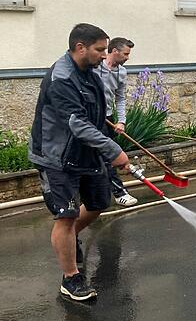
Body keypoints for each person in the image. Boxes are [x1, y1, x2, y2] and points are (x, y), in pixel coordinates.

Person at [29, 23, 131, 302]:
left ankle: (68, 239)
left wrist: (106, 142)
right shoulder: (61, 78)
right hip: (57, 156)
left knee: (99, 202)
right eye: (100, 50)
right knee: (66, 214)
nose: (104, 55)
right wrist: (114, 151)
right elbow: (77, 124)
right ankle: (71, 278)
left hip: (85, 152)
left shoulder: (89, 72)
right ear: (80, 47)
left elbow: (94, 116)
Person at [94, 37, 138, 207]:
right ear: (114, 51)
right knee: (104, 157)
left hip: (108, 119)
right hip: (92, 119)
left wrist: (122, 121)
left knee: (108, 156)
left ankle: (116, 192)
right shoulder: (96, 67)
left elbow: (120, 98)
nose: (128, 57)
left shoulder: (122, 72)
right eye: (126, 53)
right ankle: (119, 193)